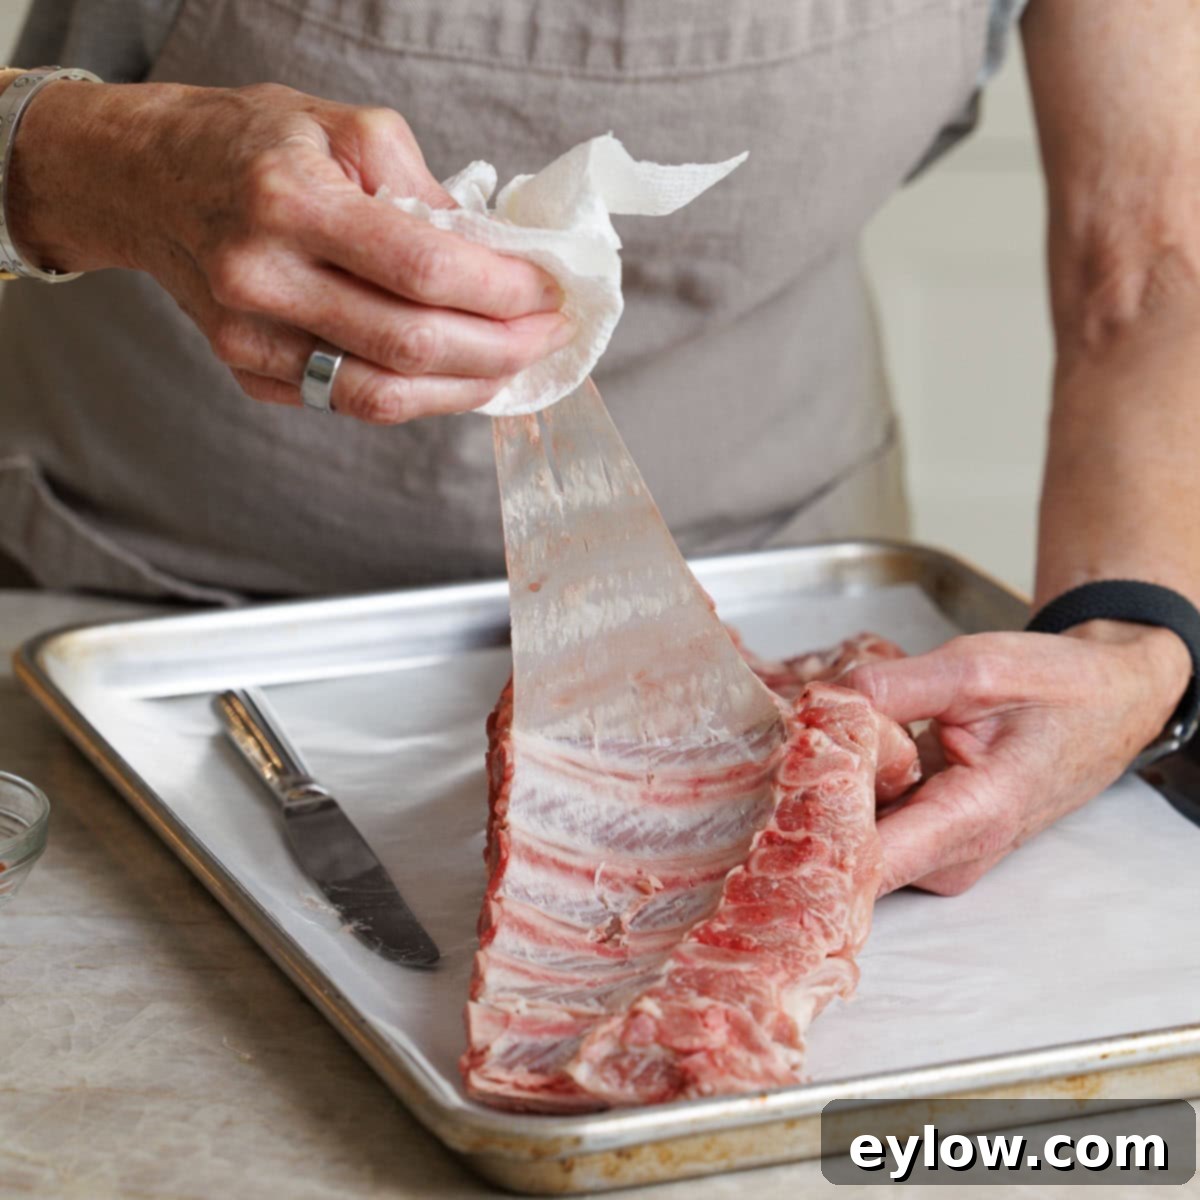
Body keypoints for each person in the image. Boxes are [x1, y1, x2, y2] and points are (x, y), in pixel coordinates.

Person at [0, 0, 1196, 898]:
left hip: (771, 624)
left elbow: (1150, 267)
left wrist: (1136, 637)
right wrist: (102, 161)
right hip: (126, 604)